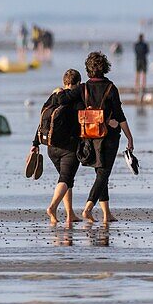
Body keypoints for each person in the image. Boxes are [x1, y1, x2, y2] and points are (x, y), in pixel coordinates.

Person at [56, 52, 135, 223]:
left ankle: (106, 214)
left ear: (88, 69)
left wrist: (59, 90)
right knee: (103, 174)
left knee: (101, 173)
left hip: (89, 136)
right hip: (109, 136)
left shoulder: (82, 88)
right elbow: (120, 115)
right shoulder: (111, 88)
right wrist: (129, 137)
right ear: (105, 68)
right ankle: (88, 208)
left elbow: (63, 99)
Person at [33, 69, 84, 226]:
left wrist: (35, 143)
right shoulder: (76, 99)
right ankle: (52, 208)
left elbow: (43, 122)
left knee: (66, 179)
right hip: (69, 147)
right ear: (77, 84)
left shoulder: (53, 97)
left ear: (64, 83)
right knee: (65, 179)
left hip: (50, 147)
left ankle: (70, 214)